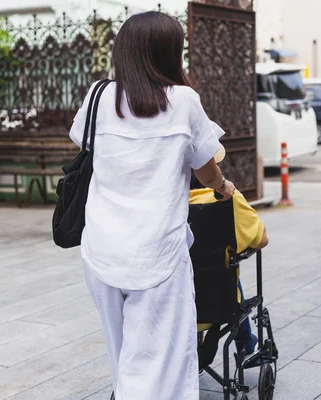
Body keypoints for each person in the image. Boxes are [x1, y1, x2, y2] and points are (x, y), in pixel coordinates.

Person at [68, 12, 236, 400]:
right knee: (162, 361)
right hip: (158, 250)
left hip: (102, 249)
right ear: (170, 53)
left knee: (124, 354)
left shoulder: (98, 95)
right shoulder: (183, 100)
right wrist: (225, 188)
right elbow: (208, 170)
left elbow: (86, 146)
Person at [189, 174, 269, 356]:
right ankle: (247, 345)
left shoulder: (164, 202)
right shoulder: (229, 198)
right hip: (219, 304)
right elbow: (262, 240)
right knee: (225, 266)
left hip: (173, 303)